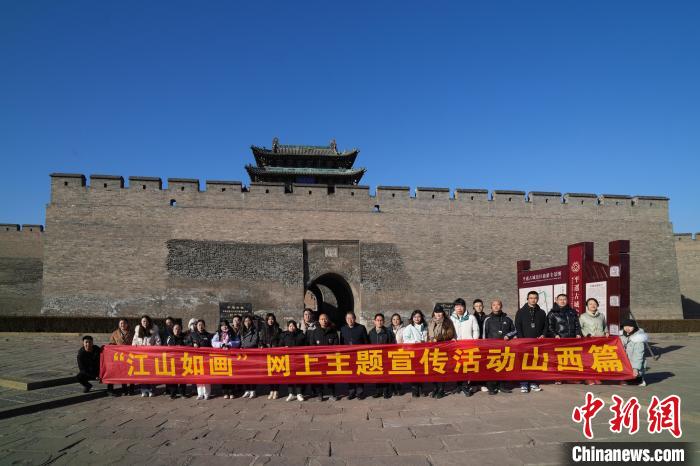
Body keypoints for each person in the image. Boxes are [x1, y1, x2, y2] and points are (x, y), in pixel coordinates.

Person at [515, 291, 547, 393]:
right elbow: (518, 326)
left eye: (535, 298)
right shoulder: (521, 312)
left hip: (537, 342)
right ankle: (524, 384)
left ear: (538, 299)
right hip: (524, 342)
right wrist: (521, 340)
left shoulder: (541, 312)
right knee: (524, 363)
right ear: (527, 299)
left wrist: (543, 335)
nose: (533, 300)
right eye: (531, 298)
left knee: (536, 363)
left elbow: (546, 326)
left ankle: (533, 383)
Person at [482, 300, 516, 395]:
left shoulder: (507, 319)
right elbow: (484, 334)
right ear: (491, 307)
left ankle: (502, 386)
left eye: (498, 305)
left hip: (504, 348)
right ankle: (491, 387)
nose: (496, 306)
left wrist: (508, 335)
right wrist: (485, 347)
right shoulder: (487, 319)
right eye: (494, 305)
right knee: (492, 368)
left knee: (503, 367)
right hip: (491, 349)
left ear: (501, 306)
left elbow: (514, 331)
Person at [450, 298, 480, 397]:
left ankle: (465, 386)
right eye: (457, 306)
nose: (459, 308)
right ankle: (458, 385)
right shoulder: (451, 318)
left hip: (468, 346)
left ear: (465, 307)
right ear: (454, 308)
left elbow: (476, 330)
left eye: (461, 306)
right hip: (456, 347)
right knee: (457, 366)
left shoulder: (471, 317)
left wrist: (474, 341)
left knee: (466, 367)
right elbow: (449, 331)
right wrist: (452, 339)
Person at [307, 313, 340, 401]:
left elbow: (336, 345)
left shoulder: (333, 331)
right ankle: (320, 394)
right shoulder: (315, 332)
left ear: (328, 320)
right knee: (319, 377)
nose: (324, 321)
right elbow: (312, 345)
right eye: (322, 319)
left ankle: (332, 394)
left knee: (331, 377)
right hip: (318, 359)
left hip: (330, 359)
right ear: (319, 321)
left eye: (325, 319)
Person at [428, 305, 456, 398]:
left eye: (440, 312)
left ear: (443, 313)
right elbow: (428, 334)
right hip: (432, 349)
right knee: (433, 370)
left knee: (441, 369)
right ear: (434, 313)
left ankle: (441, 389)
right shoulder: (431, 322)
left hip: (443, 349)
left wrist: (438, 338)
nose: (438, 314)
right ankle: (435, 388)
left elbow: (450, 334)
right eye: (436, 312)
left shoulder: (447, 322)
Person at [340, 311, 369, 400]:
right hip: (348, 356)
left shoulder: (361, 328)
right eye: (348, 318)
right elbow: (341, 343)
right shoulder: (343, 329)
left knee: (359, 374)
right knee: (350, 374)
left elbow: (366, 342)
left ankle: (360, 392)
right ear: (346, 319)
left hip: (359, 355)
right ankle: (351, 392)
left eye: (351, 318)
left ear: (355, 318)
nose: (350, 320)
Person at [579, 298, 609, 386]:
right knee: (589, 360)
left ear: (597, 305)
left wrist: (606, 332)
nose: (593, 305)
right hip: (588, 341)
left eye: (594, 304)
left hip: (600, 341)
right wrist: (587, 335)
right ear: (587, 306)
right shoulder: (583, 316)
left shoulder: (601, 316)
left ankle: (597, 377)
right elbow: (580, 328)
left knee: (597, 359)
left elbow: (605, 326)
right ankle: (588, 378)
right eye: (590, 304)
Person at [368, 313, 396, 398]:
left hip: (385, 357)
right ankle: (378, 391)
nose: (379, 322)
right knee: (377, 375)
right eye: (377, 320)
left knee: (386, 375)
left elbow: (392, 344)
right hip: (375, 357)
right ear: (374, 321)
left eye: (381, 320)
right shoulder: (371, 332)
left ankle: (386, 392)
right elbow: (368, 345)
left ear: (383, 321)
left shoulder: (388, 332)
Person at [280, 320, 307, 401]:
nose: (292, 327)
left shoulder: (301, 334)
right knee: (289, 376)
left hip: (298, 359)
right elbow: (280, 345)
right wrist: (284, 348)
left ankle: (299, 393)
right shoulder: (284, 335)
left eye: (293, 326)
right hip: (288, 359)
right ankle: (291, 393)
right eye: (290, 326)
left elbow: (306, 345)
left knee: (298, 376)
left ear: (296, 327)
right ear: (288, 327)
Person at [403, 310, 428, 397]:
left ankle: (421, 389)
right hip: (413, 352)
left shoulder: (425, 327)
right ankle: (414, 390)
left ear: (421, 317)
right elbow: (405, 340)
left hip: (422, 352)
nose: (417, 318)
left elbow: (427, 338)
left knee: (421, 371)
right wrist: (415, 341)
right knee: (414, 372)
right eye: (415, 317)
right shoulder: (409, 328)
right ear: (412, 318)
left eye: (419, 316)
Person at [212, 320, 239, 399]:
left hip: (231, 357)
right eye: (223, 325)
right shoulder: (218, 334)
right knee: (223, 374)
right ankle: (225, 392)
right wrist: (221, 344)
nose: (225, 326)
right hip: (221, 357)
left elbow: (238, 341)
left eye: (226, 325)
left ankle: (231, 391)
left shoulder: (232, 333)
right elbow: (213, 342)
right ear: (220, 327)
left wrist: (230, 344)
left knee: (231, 374)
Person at [132, 320, 160, 397]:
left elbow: (158, 342)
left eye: (146, 321)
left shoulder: (154, 331)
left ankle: (152, 390)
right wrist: (137, 348)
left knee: (151, 373)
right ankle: (144, 390)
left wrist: (152, 348)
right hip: (141, 356)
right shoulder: (137, 332)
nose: (145, 323)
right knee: (142, 373)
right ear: (141, 322)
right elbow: (134, 343)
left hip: (151, 356)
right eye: (143, 321)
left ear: (149, 322)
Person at [107, 318, 135, 396]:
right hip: (120, 356)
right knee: (123, 373)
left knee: (131, 372)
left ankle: (132, 389)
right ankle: (124, 389)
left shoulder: (132, 333)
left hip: (130, 355)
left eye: (124, 323)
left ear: (127, 324)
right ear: (119, 324)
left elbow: (136, 342)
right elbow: (111, 343)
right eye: (121, 323)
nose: (123, 325)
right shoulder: (115, 333)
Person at [187, 319, 213, 400]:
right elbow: (187, 344)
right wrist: (192, 344)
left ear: (204, 326)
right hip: (196, 359)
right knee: (198, 377)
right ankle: (200, 394)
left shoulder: (209, 335)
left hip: (206, 359)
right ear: (196, 326)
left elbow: (212, 346)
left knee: (206, 376)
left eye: (202, 325)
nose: (200, 326)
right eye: (199, 325)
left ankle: (207, 393)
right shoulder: (192, 335)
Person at [259, 313, 282, 399]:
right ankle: (271, 390)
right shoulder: (263, 330)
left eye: (272, 319)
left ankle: (276, 390)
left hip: (276, 354)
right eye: (269, 319)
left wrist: (277, 347)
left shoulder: (278, 330)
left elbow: (281, 341)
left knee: (277, 373)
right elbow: (261, 340)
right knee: (270, 373)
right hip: (267, 354)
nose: (270, 321)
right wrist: (261, 345)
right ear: (266, 320)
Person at [620, 319, 648, 387]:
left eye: (630, 326)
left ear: (634, 327)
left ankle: (640, 379)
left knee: (636, 374)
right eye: (625, 326)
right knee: (626, 375)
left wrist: (635, 368)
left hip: (635, 361)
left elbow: (638, 355)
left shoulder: (638, 339)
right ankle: (627, 378)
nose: (627, 328)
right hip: (626, 361)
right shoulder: (622, 336)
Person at [165, 323, 189, 398]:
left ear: (181, 330)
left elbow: (188, 347)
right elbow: (165, 348)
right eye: (175, 329)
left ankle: (183, 393)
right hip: (173, 361)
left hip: (182, 361)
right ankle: (173, 393)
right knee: (173, 378)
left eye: (179, 329)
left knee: (183, 378)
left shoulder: (184, 338)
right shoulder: (169, 338)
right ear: (173, 330)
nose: (177, 330)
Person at [240, 314, 259, 398]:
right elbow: (241, 342)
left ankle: (253, 390)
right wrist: (241, 347)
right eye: (245, 321)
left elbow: (254, 342)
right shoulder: (241, 331)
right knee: (245, 373)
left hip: (252, 354)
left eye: (248, 321)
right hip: (243, 355)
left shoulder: (255, 330)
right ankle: (247, 390)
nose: (247, 322)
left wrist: (244, 347)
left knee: (252, 373)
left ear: (251, 321)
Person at [389, 313, 405, 395]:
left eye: (397, 319)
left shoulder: (404, 329)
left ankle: (399, 388)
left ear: (400, 320)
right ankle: (393, 388)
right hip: (391, 353)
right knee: (392, 371)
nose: (395, 321)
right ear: (391, 320)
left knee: (399, 372)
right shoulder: (388, 329)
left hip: (400, 352)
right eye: (394, 319)